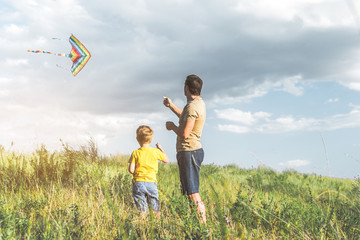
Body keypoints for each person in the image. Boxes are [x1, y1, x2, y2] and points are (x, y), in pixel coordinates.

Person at [163, 74, 207, 223]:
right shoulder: (198, 104)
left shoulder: (192, 106)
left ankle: (202, 228)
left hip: (189, 151)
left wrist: (172, 127)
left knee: (193, 193)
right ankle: (197, 224)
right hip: (192, 152)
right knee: (189, 192)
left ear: (186, 88)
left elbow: (185, 133)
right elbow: (186, 117)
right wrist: (171, 105)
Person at [128, 125, 168, 218]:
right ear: (151, 139)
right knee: (155, 209)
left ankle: (142, 227)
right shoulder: (155, 151)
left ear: (137, 138)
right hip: (151, 183)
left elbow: (131, 170)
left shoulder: (135, 152)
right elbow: (166, 159)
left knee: (141, 209)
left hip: (138, 183)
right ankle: (157, 227)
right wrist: (160, 149)